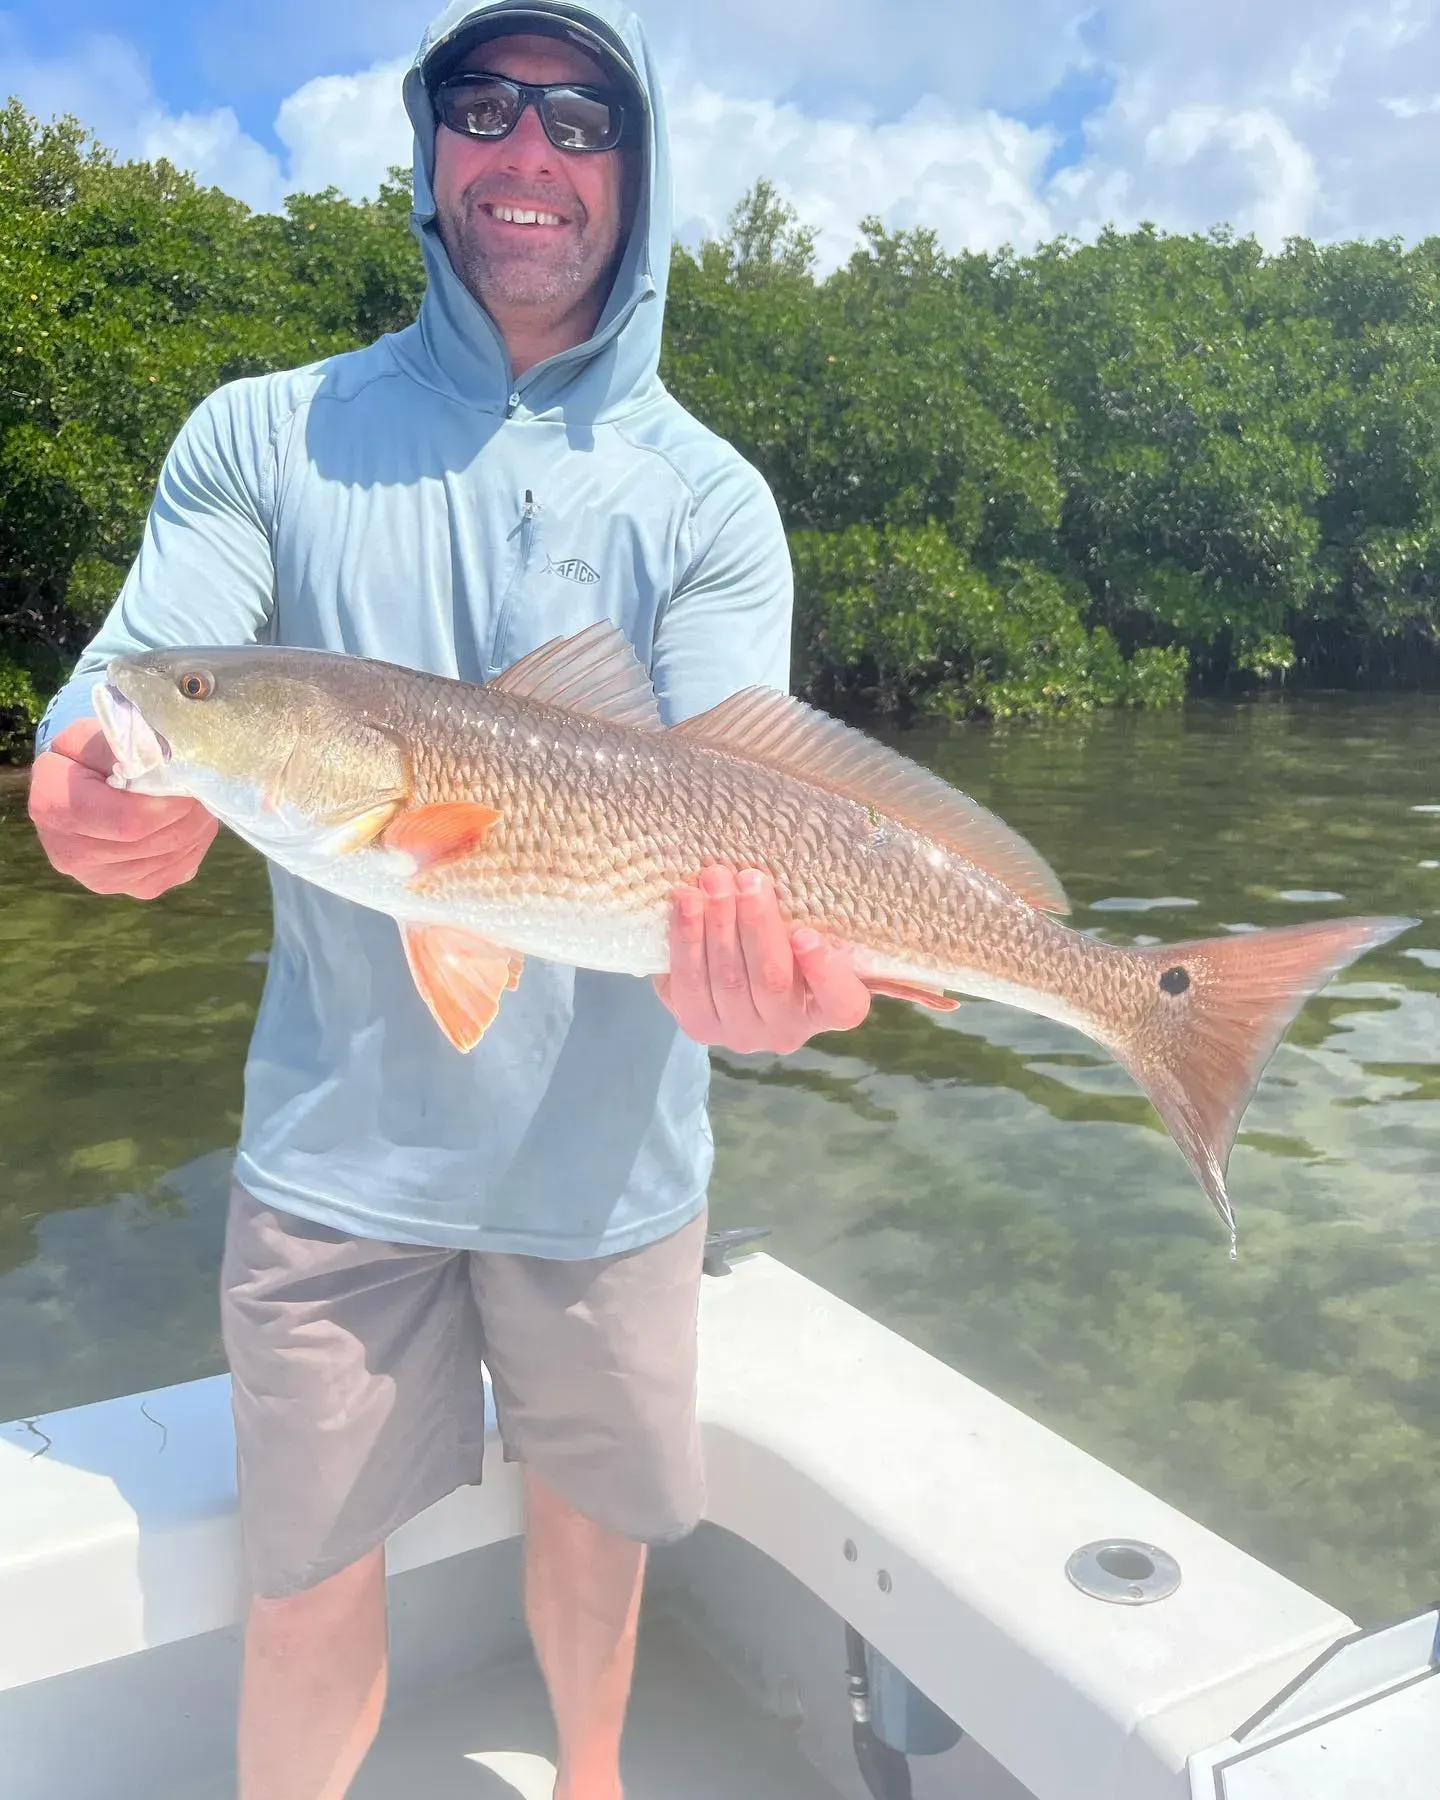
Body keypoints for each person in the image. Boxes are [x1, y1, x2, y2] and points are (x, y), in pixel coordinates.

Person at [28, 3, 875, 1796]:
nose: (528, 154)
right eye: (482, 106)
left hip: (615, 1166)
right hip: (336, 1169)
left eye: (581, 118)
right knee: (306, 1568)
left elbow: (749, 789)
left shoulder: (711, 501)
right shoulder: (265, 435)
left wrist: (780, 979)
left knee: (595, 1527)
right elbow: (133, 675)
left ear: (636, 169)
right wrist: (89, 768)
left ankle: (591, 1780)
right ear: (427, 148)